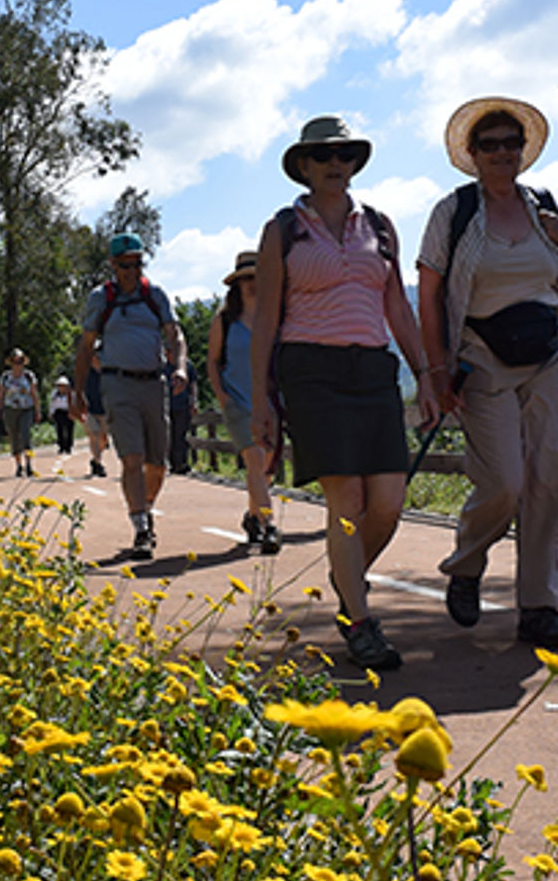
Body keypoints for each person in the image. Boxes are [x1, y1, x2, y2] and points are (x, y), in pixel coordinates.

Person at [251, 115, 441, 671]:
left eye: (346, 155)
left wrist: (425, 374)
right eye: (324, 156)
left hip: (373, 371)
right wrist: (262, 399)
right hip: (310, 371)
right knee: (347, 503)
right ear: (304, 168)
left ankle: (345, 578)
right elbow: (264, 320)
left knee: (388, 502)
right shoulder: (283, 230)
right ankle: (359, 623)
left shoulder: (378, 226)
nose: (337, 164)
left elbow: (398, 307)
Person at [415, 96, 558, 651]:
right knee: (505, 482)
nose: (501, 153)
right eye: (489, 144)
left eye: (510, 143)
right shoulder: (454, 212)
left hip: (547, 356)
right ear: (471, 153)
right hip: (480, 355)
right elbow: (429, 294)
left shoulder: (545, 209)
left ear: (523, 151)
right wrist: (436, 369)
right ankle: (467, 564)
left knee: (549, 481)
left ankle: (540, 608)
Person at [74, 233, 190, 560]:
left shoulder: (155, 295)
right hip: (118, 384)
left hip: (154, 384)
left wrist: (179, 367)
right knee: (132, 458)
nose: (132, 270)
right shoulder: (102, 299)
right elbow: (85, 347)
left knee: (158, 464)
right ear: (113, 265)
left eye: (138, 263)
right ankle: (140, 528)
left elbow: (175, 334)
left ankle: (146, 508)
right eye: (126, 264)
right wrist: (79, 392)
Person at [208, 250, 280, 553]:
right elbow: (213, 361)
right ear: (235, 284)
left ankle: (252, 517)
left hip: (270, 403)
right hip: (238, 402)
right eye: (245, 278)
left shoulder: (273, 317)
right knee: (254, 460)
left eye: (255, 277)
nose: (250, 283)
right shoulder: (224, 320)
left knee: (265, 469)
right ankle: (269, 526)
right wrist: (223, 398)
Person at [0, 349, 40, 478]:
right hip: (10, 410)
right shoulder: (5, 377)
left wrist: (37, 411)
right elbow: (1, 395)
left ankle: (29, 465)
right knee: (14, 437)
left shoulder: (29, 376)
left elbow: (34, 394)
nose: (18, 364)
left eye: (20, 361)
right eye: (15, 361)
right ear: (11, 362)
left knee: (26, 434)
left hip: (26, 409)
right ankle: (19, 465)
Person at [168, 358, 199, 475]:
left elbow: (193, 384)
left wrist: (194, 402)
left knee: (181, 435)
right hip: (167, 405)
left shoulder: (188, 365)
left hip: (182, 405)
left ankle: (182, 463)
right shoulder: (163, 365)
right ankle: (172, 463)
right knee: (169, 435)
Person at [83, 369, 111, 478]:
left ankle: (94, 460)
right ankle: (99, 464)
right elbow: (75, 389)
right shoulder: (85, 372)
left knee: (104, 439)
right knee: (94, 435)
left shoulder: (108, 370)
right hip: (88, 409)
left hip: (105, 409)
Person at [48, 376, 77, 456]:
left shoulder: (71, 394)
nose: (62, 388)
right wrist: (51, 413)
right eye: (60, 386)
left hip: (68, 412)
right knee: (59, 429)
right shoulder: (55, 394)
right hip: (59, 412)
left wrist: (74, 413)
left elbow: (74, 404)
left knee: (69, 430)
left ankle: (68, 447)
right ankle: (61, 446)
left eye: (63, 386)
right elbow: (52, 404)